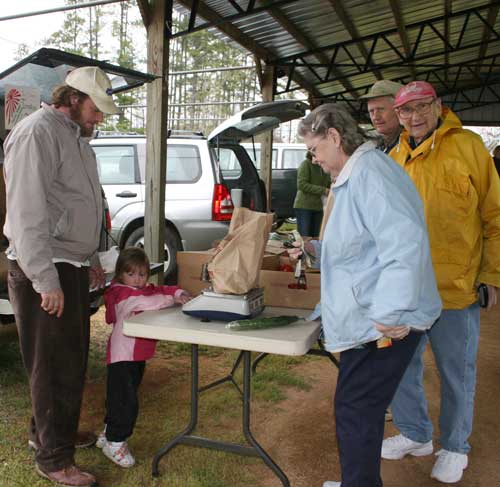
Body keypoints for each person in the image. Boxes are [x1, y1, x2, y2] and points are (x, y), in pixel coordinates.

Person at [293, 103, 442, 487]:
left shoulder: (370, 175)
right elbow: (361, 246)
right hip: (372, 315)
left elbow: (404, 244)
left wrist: (390, 314)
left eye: (315, 150)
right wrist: (315, 250)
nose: (315, 159)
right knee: (360, 408)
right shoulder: (360, 173)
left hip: (380, 321)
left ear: (335, 137)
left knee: (356, 409)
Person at [3, 66, 120, 487]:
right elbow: (26, 212)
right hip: (44, 266)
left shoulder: (74, 138)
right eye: (95, 108)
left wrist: (89, 256)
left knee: (67, 361)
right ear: (72, 98)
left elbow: (78, 202)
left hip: (68, 263)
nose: (99, 119)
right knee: (52, 366)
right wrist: (44, 279)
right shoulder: (38, 132)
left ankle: (51, 435)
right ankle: (55, 459)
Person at [383, 80, 500, 484]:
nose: (414, 117)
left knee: (456, 373)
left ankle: (455, 446)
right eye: (405, 111)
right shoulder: (395, 156)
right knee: (400, 367)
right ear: (398, 116)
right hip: (406, 290)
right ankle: (416, 434)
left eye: (421, 108)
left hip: (455, 287)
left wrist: (491, 275)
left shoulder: (468, 147)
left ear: (438, 107)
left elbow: (495, 217)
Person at [96, 247, 191, 467]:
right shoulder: (121, 293)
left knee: (120, 395)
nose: (138, 280)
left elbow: (159, 289)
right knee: (125, 400)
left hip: (135, 355)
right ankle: (116, 442)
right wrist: (172, 298)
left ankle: (108, 434)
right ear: (120, 274)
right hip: (122, 355)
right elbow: (149, 300)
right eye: (132, 274)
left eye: (142, 274)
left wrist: (177, 292)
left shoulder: (139, 288)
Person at [293, 151, 331, 237]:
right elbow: (302, 185)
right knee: (305, 237)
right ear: (311, 155)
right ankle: (303, 251)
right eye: (314, 156)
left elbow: (328, 182)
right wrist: (323, 190)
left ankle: (312, 251)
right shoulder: (305, 165)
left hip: (318, 207)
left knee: (315, 237)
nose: (317, 160)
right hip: (304, 206)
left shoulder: (323, 166)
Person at [360, 79, 403, 154]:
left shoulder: (413, 145)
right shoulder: (375, 148)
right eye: (371, 111)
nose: (375, 117)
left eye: (380, 109)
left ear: (399, 110)